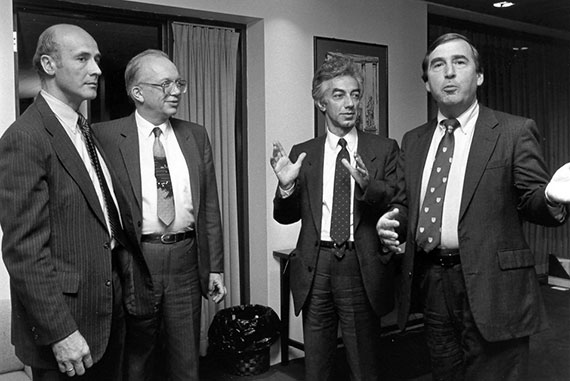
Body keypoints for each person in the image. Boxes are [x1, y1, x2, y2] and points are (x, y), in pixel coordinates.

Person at [377, 32, 570, 381]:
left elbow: (531, 200)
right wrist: (392, 221)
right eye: (438, 65)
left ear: (479, 76)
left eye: (459, 62)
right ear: (427, 83)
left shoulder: (513, 131)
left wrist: (551, 197)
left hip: (495, 288)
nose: (448, 73)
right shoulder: (414, 140)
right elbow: (405, 204)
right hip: (433, 282)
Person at [0, 24, 153, 380]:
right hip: (66, 323)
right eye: (83, 58)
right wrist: (60, 332)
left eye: (97, 59)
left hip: (107, 309)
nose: (97, 69)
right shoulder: (26, 137)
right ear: (49, 65)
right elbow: (24, 251)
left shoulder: (85, 131)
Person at [93, 49, 226, 381]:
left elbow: (209, 206)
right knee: (136, 360)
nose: (177, 91)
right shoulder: (105, 137)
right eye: (165, 83)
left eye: (178, 82)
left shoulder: (195, 135)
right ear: (138, 93)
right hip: (138, 261)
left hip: (186, 258)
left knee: (185, 362)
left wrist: (216, 268)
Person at [270, 55, 399, 381]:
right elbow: (285, 217)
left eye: (355, 94)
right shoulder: (305, 152)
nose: (350, 103)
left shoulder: (383, 149)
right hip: (316, 267)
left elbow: (398, 205)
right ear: (321, 102)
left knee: (364, 365)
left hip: (361, 265)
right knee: (317, 367)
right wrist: (285, 187)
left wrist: (369, 187)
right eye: (339, 95)